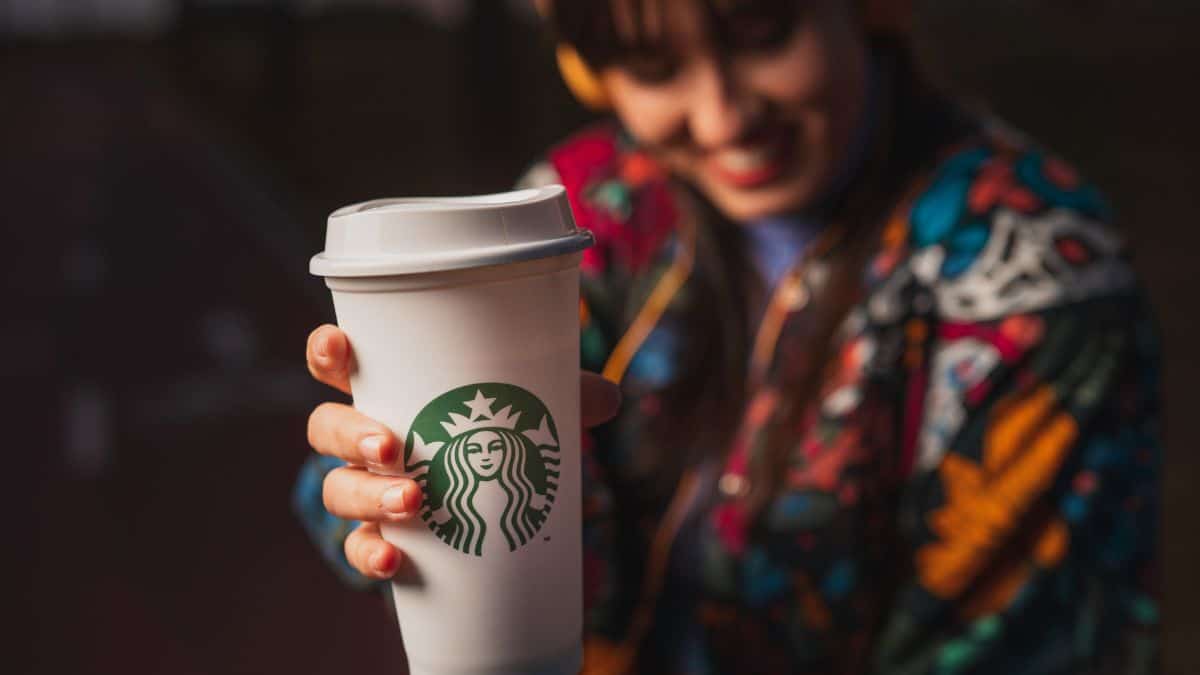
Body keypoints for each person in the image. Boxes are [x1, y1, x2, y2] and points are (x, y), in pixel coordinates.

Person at [294, 1, 1162, 672]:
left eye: (763, 34)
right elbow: (506, 531)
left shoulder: (1035, 278)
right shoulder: (586, 207)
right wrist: (390, 493)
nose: (721, 120)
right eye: (654, 66)